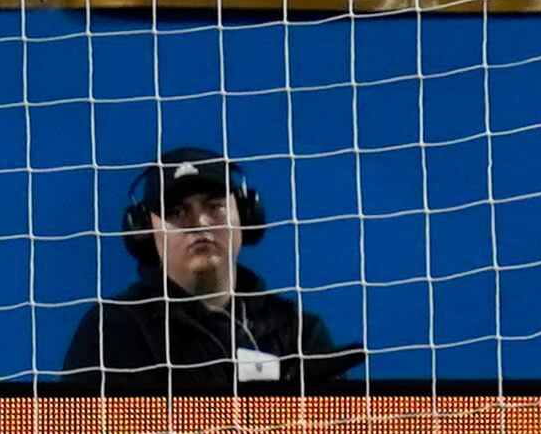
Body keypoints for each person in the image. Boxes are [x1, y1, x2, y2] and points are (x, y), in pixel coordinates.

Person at [59, 147, 360, 393]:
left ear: (245, 215)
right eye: (177, 211)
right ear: (144, 231)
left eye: (214, 206)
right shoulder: (112, 330)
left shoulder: (295, 331)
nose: (200, 223)